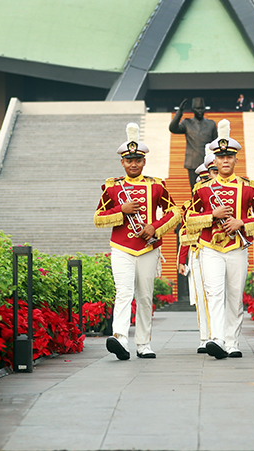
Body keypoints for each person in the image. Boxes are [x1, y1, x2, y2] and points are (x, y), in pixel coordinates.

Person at [184, 119, 254, 359]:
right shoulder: (201, 189)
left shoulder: (249, 187)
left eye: (228, 157)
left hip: (237, 247)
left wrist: (241, 222)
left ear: (235, 160)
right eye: (220, 157)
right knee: (214, 293)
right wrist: (213, 215)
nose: (224, 161)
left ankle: (232, 343)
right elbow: (189, 218)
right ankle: (218, 339)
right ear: (214, 160)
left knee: (234, 296)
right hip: (210, 247)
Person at [93, 122, 180, 360]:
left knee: (145, 296)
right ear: (122, 161)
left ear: (144, 161)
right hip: (121, 247)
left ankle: (144, 344)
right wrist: (121, 208)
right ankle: (120, 338)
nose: (133, 164)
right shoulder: (112, 187)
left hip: (148, 247)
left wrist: (155, 228)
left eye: (138, 160)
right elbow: (98, 217)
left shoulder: (156, 185)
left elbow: (175, 211)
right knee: (123, 292)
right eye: (129, 159)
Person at [179, 145, 216, 354]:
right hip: (199, 251)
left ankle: (224, 336)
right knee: (202, 296)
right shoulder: (189, 206)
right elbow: (185, 234)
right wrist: (182, 260)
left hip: (222, 249)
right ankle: (206, 337)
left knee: (221, 296)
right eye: (201, 180)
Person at [169, 97, 218, 189]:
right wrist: (180, 112)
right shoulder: (187, 123)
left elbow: (215, 143)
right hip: (192, 161)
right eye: (197, 108)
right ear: (192, 110)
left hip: (207, 162)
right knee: (194, 189)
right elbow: (173, 128)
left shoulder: (211, 124)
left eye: (201, 108)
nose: (200, 111)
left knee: (209, 188)